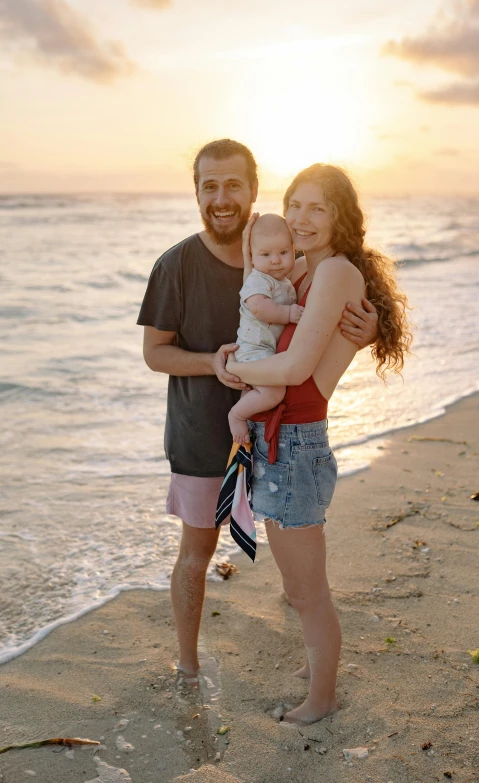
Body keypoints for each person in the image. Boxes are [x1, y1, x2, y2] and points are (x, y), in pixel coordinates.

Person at [137, 139, 379, 687]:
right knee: (198, 553)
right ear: (196, 193)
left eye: (233, 185)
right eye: (209, 186)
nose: (221, 198)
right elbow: (154, 353)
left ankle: (315, 668)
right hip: (203, 431)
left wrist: (372, 330)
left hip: (277, 432)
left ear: (253, 191)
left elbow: (325, 321)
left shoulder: (287, 262)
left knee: (294, 567)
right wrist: (213, 362)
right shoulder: (176, 264)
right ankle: (188, 666)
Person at [225, 163, 412, 724]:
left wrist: (234, 375)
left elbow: (302, 365)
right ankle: (318, 663)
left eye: (317, 208)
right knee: (296, 581)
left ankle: (322, 699)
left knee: (307, 591)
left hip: (298, 443)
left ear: (340, 218)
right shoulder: (308, 272)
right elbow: (262, 301)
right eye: (295, 205)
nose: (302, 219)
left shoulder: (331, 273)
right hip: (282, 438)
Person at [228, 213, 304, 445]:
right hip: (253, 349)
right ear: (252, 257)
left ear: (293, 249)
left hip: (263, 350)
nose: (276, 261)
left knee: (259, 392)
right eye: (266, 254)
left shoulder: (280, 281)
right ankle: (237, 415)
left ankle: (247, 410)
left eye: (283, 252)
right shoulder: (257, 279)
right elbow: (260, 308)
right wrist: (289, 314)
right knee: (274, 392)